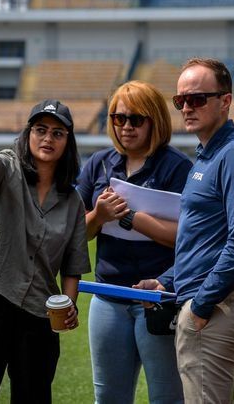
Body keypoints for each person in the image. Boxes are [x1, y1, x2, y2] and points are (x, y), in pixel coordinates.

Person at [135, 58, 234, 404]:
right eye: (181, 101)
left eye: (198, 99)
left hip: (218, 305)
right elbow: (202, 242)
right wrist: (168, 280)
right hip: (204, 302)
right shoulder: (206, 156)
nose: (187, 107)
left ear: (225, 101)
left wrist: (201, 306)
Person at [0, 99, 91, 404]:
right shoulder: (9, 166)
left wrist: (69, 306)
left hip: (40, 310)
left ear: (68, 142)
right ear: (28, 134)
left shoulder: (73, 201)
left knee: (34, 396)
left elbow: (73, 264)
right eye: (40, 130)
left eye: (57, 133)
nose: (48, 139)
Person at [75, 81, 191, 404]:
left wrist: (130, 217)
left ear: (154, 121)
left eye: (136, 119)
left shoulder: (178, 167)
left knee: (167, 397)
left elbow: (187, 237)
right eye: (118, 118)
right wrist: (98, 215)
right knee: (109, 397)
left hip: (159, 298)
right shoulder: (98, 163)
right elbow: (75, 235)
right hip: (108, 295)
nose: (126, 126)